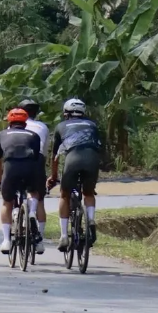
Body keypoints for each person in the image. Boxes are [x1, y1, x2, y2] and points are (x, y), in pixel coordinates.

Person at [47, 97, 102, 253]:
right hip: (92, 159)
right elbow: (98, 147)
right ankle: (91, 220)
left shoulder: (60, 126)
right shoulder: (93, 125)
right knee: (88, 193)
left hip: (73, 160)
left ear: (66, 113)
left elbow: (55, 156)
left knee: (64, 195)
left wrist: (53, 176)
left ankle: (64, 236)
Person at [0, 108, 46, 255]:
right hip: (30, 168)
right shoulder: (33, 135)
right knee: (34, 193)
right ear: (25, 123)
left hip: (11, 168)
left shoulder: (1, 134)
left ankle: (6, 241)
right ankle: (32, 212)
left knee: (7, 203)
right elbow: (36, 157)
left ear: (10, 122)